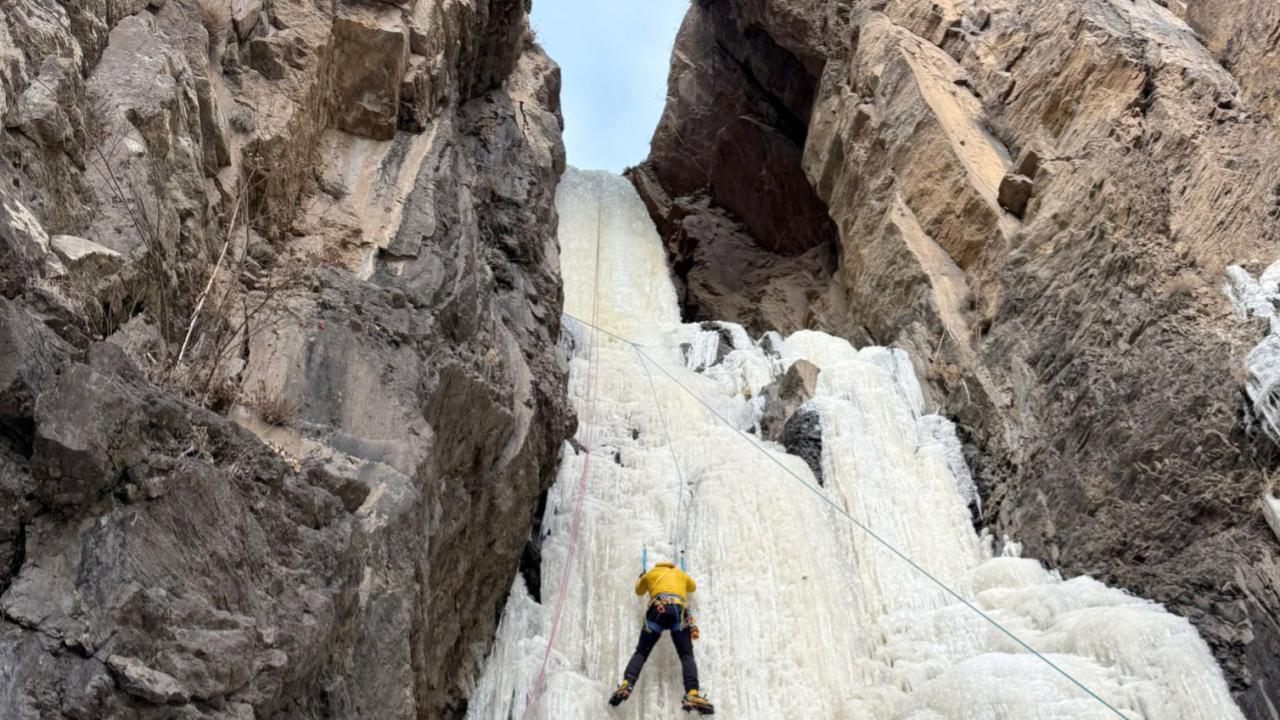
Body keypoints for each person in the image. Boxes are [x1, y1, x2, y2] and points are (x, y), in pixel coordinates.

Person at [608, 560, 715, 714]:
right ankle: (692, 693)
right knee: (686, 655)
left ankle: (627, 684)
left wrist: (642, 577)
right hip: (679, 612)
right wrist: (683, 577)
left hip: (656, 611)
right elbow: (693, 587)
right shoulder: (680, 574)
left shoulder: (651, 573)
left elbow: (639, 591)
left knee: (641, 652)